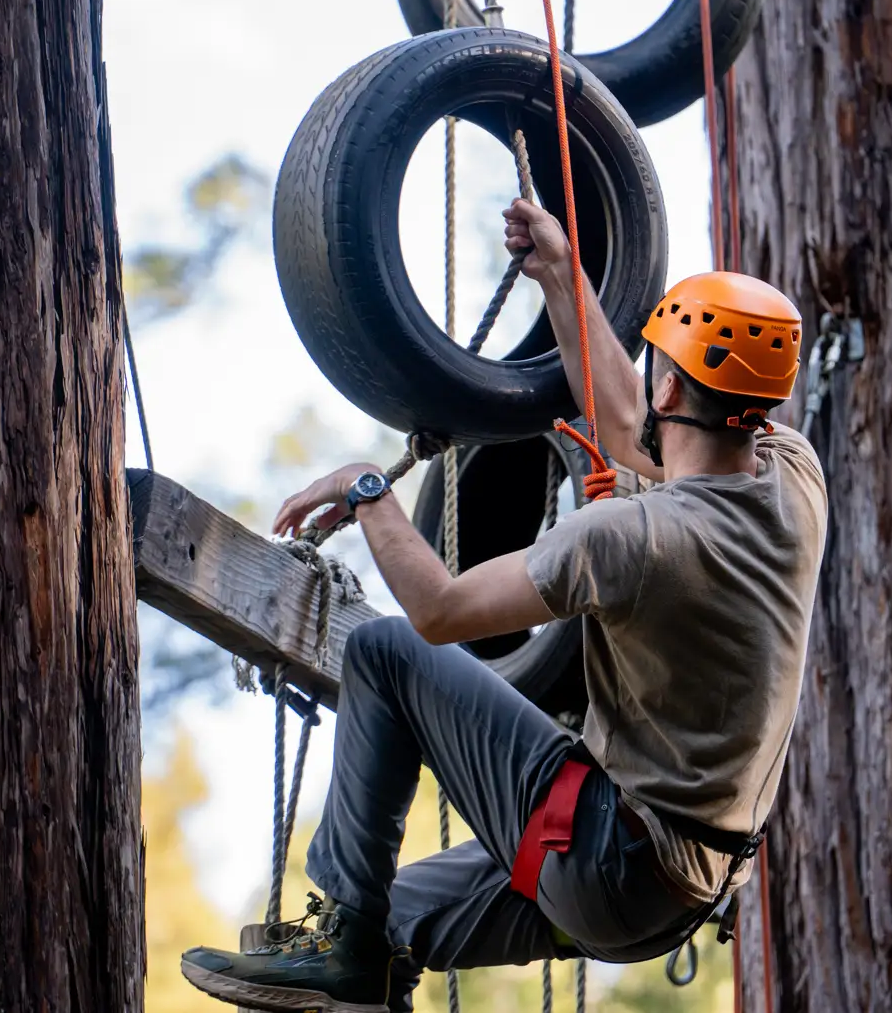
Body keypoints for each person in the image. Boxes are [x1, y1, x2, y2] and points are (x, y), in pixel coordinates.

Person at [180, 199, 829, 1013]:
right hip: (675, 897)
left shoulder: (628, 534)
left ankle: (343, 942)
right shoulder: (794, 479)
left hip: (610, 856)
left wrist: (366, 488)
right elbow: (631, 428)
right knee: (393, 934)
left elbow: (439, 612)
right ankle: (360, 956)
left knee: (385, 653)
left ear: (668, 382)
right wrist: (560, 272)